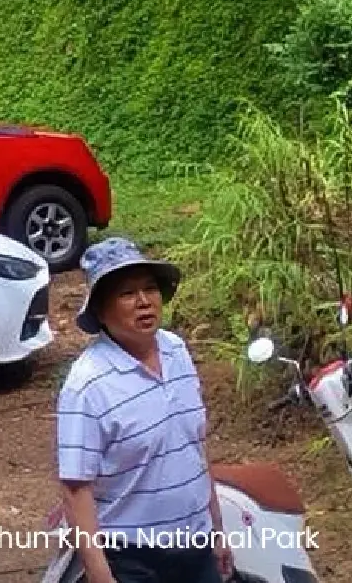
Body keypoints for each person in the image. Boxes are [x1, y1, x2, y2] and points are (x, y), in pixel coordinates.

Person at [55, 238, 230, 583]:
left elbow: (195, 450)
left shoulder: (177, 351)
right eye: (126, 293)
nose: (144, 302)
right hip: (133, 557)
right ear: (101, 312)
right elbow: (76, 490)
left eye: (150, 288)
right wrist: (100, 574)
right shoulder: (88, 384)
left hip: (196, 544)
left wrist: (218, 531)